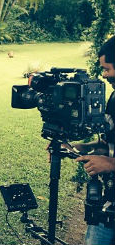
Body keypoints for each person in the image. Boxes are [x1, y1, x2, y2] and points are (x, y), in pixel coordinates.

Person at [74, 36, 115, 245]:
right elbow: (109, 144)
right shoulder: (114, 98)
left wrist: (110, 164)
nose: (105, 75)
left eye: (107, 69)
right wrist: (84, 147)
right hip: (108, 202)